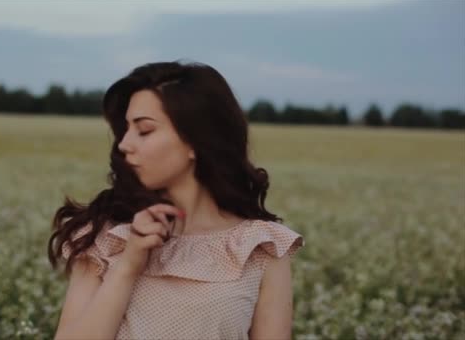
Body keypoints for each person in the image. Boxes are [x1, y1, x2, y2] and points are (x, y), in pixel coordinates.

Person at [48, 60, 305, 340]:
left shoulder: (260, 248)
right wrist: (128, 265)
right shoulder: (103, 236)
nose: (124, 144)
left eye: (144, 130)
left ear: (196, 139)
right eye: (126, 130)